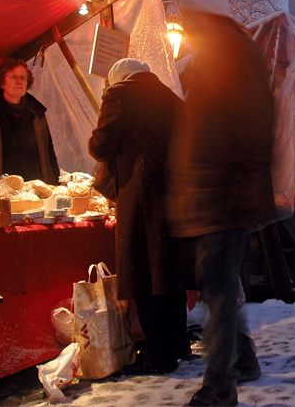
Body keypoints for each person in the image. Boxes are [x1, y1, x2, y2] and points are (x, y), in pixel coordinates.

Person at [168, 0, 275, 407]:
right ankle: (241, 362)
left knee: (218, 289)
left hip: (221, 194)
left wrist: (202, 185)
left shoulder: (224, 51)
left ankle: (220, 384)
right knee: (220, 287)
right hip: (223, 192)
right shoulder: (232, 49)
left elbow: (225, 132)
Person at [88, 58, 188, 375]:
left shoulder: (119, 94)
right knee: (169, 274)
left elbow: (101, 145)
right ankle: (177, 344)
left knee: (144, 272)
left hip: (140, 195)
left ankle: (158, 355)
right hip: (173, 194)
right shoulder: (172, 98)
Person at [0, 58, 59, 184]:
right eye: (13, 77)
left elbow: (48, 152)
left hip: (34, 186)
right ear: (2, 81)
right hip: (0, 187)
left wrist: (54, 184)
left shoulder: (36, 112)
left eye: (23, 78)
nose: (19, 81)